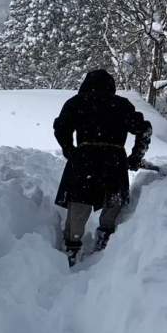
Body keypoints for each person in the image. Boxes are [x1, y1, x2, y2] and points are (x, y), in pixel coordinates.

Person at [53, 69, 152, 264]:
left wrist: (69, 150)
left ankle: (72, 247)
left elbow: (61, 127)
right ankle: (105, 240)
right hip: (113, 162)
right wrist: (135, 156)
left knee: (79, 203)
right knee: (112, 201)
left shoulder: (76, 102)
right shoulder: (121, 105)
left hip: (83, 160)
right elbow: (144, 129)